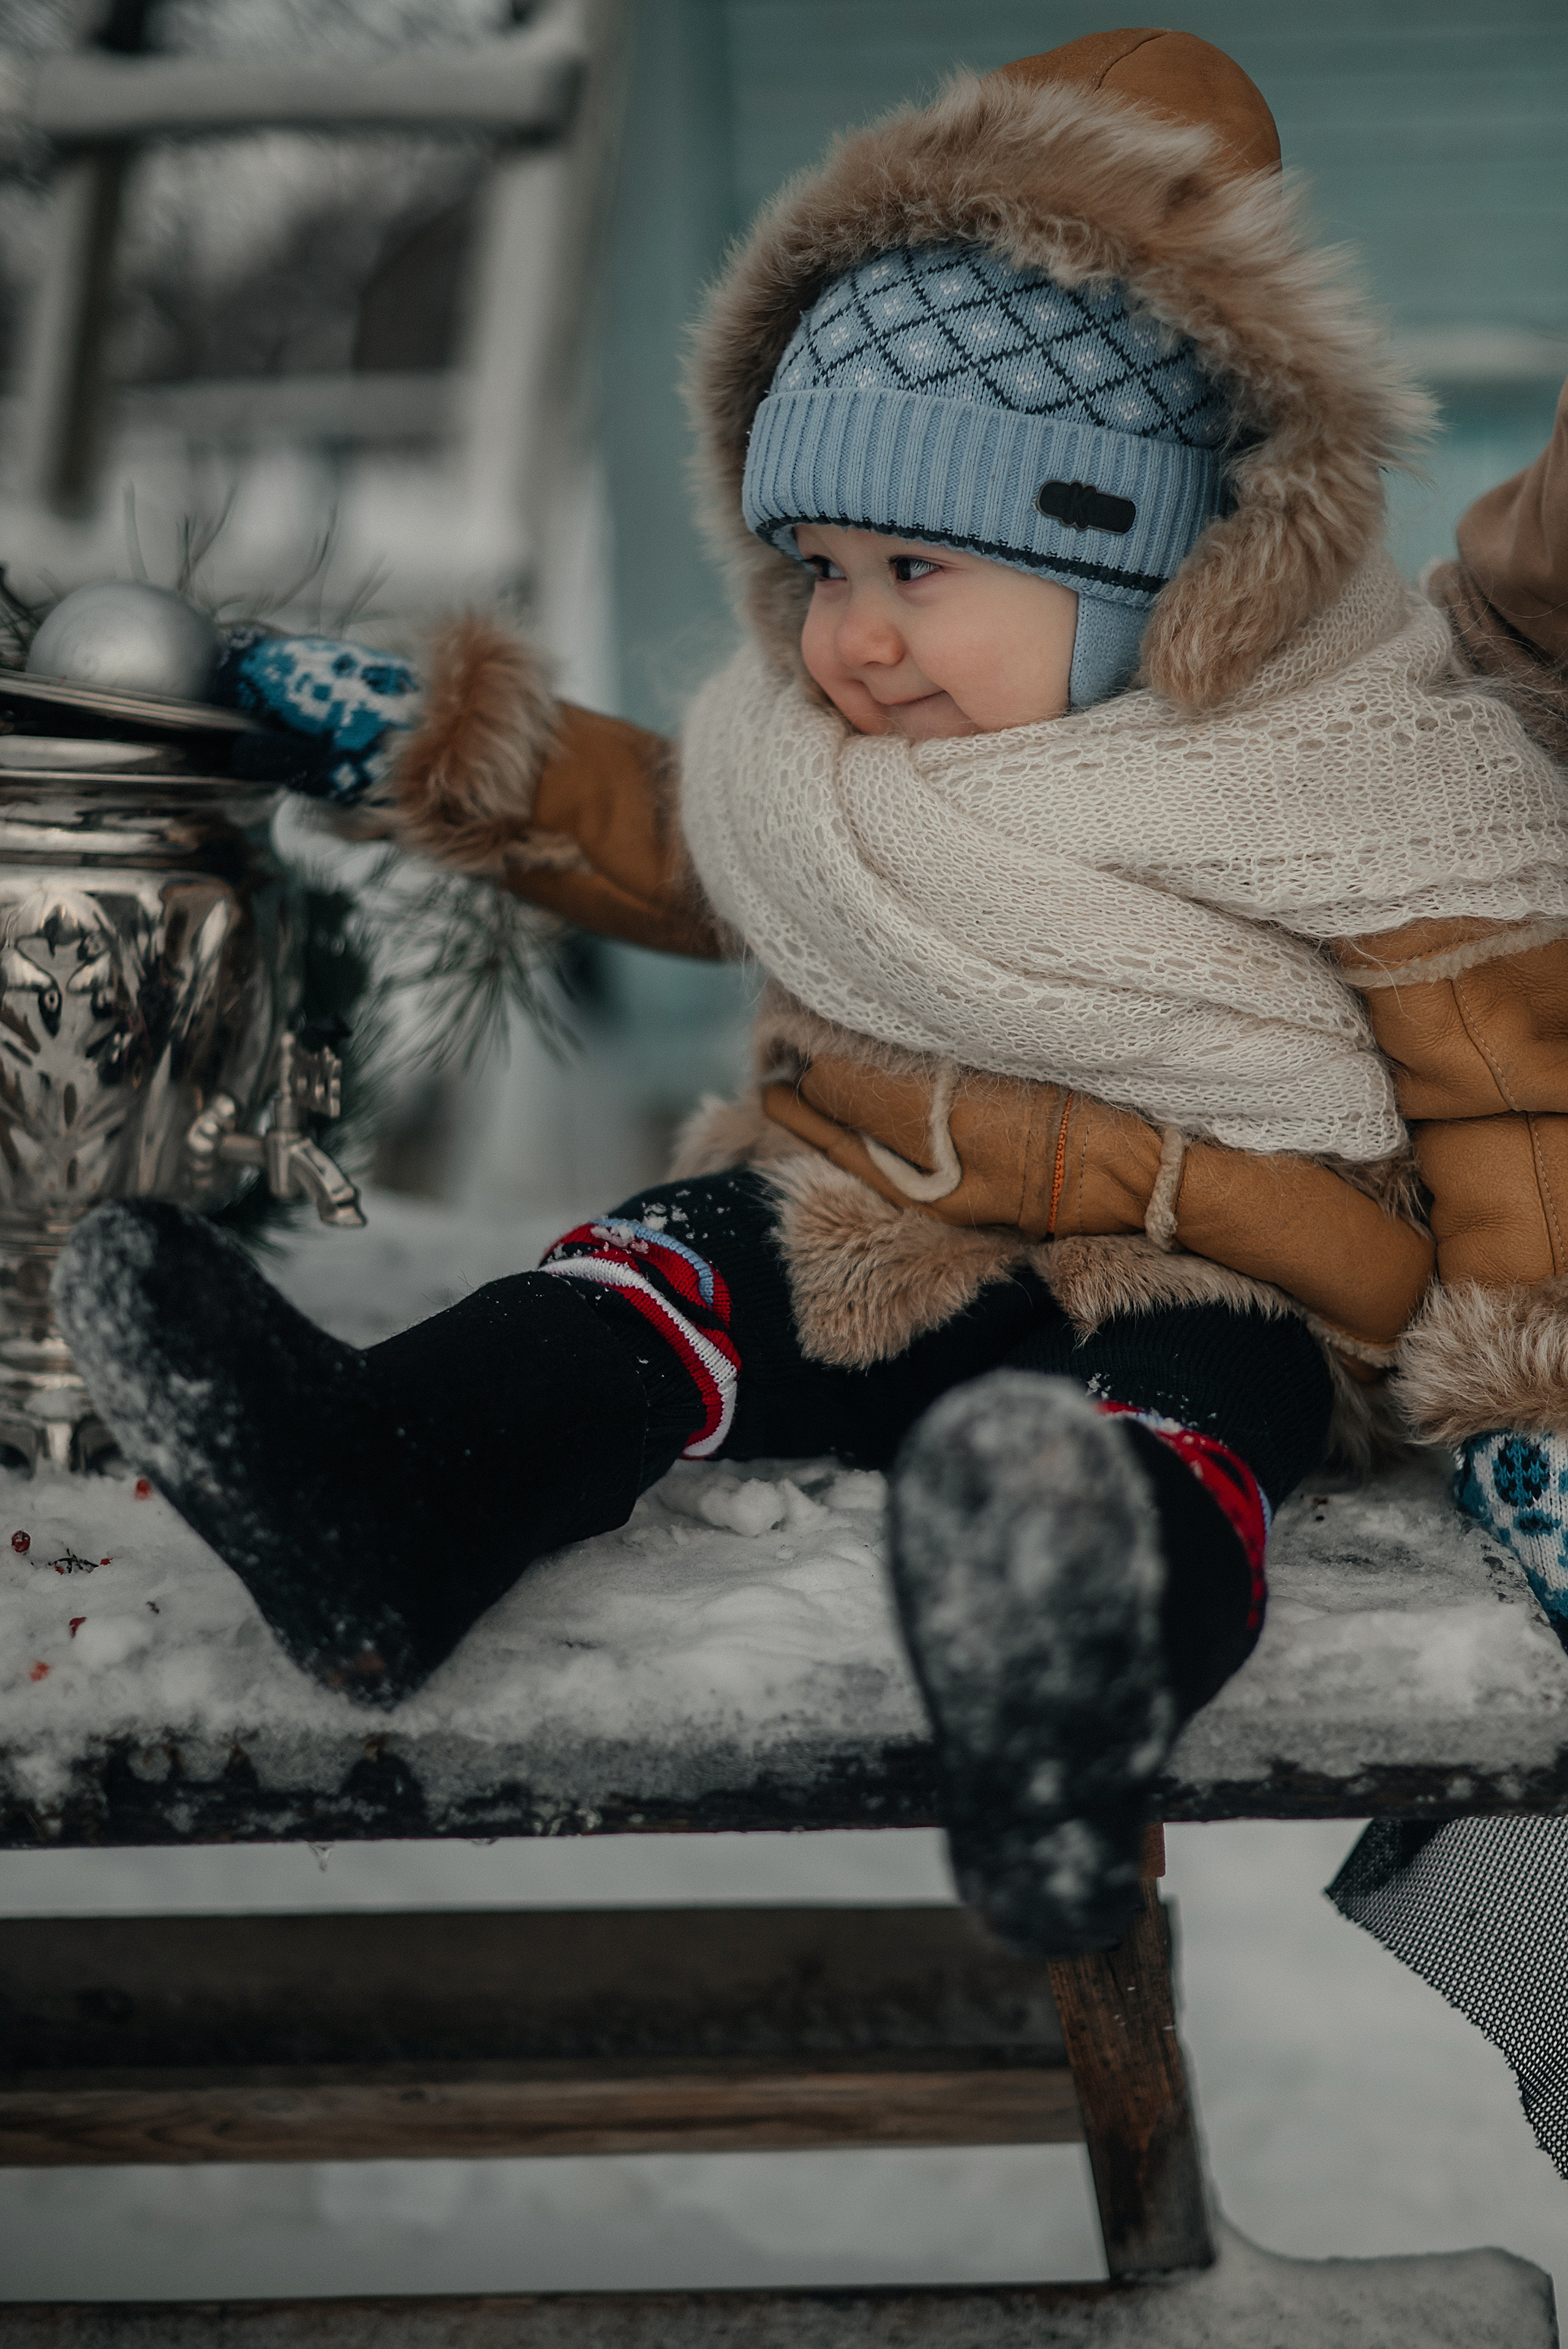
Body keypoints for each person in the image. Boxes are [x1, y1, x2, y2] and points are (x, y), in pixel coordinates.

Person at [53, 29, 1568, 1959]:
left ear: (1150, 552)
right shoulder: (838, 756)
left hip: (1237, 1261)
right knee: (665, 1263)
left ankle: (1069, 1686)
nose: (847, 633)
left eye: (917, 563)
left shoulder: (1366, 774)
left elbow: (1508, 1083)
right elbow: (684, 836)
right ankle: (389, 1498)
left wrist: (1532, 1390)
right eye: (818, 560)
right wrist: (441, 746)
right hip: (895, 1220)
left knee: (1191, 1425)